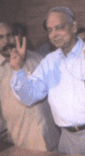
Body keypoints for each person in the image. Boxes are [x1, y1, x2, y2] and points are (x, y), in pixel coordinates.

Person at [8, 7, 85, 156]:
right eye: (49, 30)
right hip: (67, 138)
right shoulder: (48, 62)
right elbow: (29, 97)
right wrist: (18, 69)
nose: (54, 34)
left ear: (74, 27)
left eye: (59, 28)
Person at [0, 22, 60, 151]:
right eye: (0, 37)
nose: (6, 41)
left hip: (53, 138)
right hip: (23, 142)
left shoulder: (38, 59)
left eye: (9, 35)